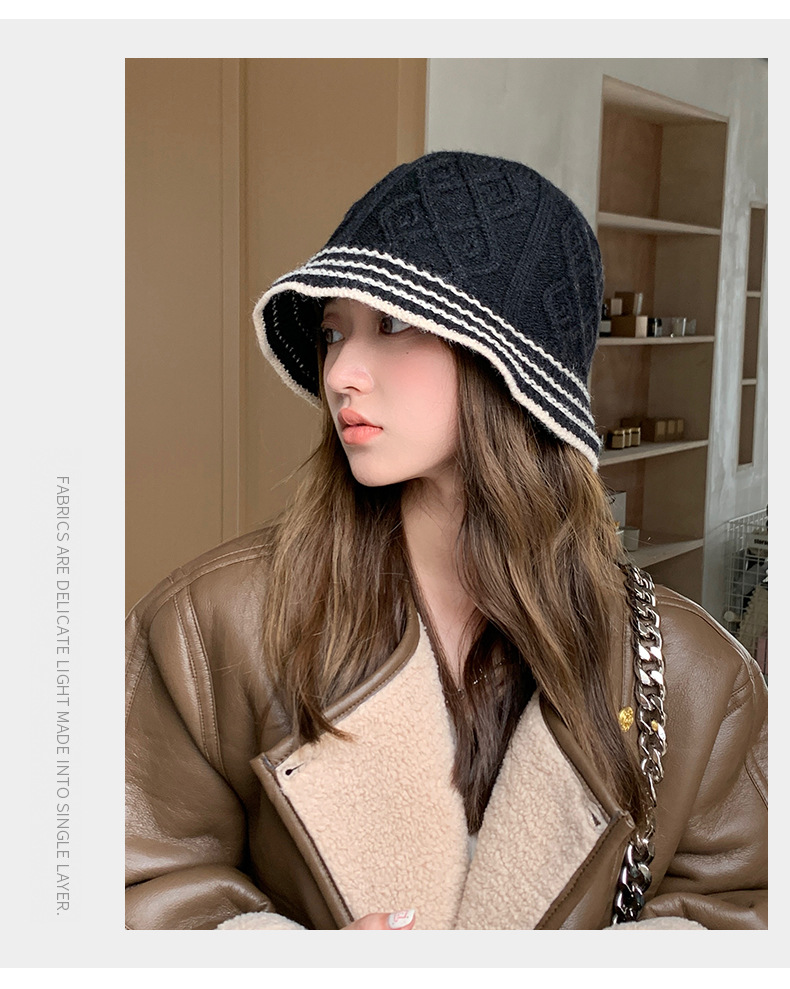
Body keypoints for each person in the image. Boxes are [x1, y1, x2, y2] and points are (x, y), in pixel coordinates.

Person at [125, 151, 767, 931]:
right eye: (332, 332)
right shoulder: (213, 629)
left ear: (514, 361)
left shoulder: (692, 675)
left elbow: (744, 910)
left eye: (394, 322)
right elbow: (128, 886)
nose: (341, 372)